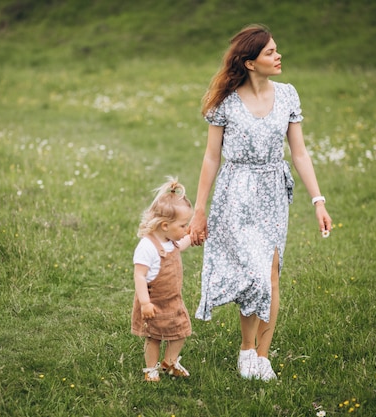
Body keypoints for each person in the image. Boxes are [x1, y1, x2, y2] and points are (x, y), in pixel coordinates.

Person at [189, 24, 332, 381]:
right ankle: (245, 349)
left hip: (273, 192)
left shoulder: (287, 95)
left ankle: (261, 357)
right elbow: (211, 158)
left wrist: (318, 200)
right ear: (250, 63)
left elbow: (299, 153)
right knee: (252, 273)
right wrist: (199, 210)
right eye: (270, 52)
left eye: (276, 49)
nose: (278, 56)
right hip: (235, 192)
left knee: (269, 274)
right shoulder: (225, 102)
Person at [131, 177, 194, 382]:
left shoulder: (170, 241)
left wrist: (193, 237)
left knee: (181, 331)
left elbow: (182, 244)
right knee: (154, 337)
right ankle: (151, 369)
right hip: (154, 302)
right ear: (165, 225)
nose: (186, 228)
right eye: (184, 225)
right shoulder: (147, 246)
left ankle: (170, 362)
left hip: (173, 300)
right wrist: (145, 303)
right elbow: (139, 276)